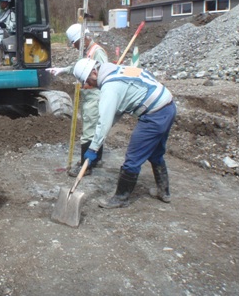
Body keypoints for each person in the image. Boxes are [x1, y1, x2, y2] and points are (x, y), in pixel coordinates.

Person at [72, 58, 177, 209]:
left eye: (87, 81)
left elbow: (105, 120)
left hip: (154, 116)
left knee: (133, 157)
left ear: (94, 73)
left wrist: (93, 148)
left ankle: (121, 197)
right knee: (155, 152)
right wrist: (100, 136)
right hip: (167, 106)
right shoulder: (118, 70)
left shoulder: (110, 87)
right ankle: (163, 191)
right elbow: (117, 111)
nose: (88, 85)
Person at [47, 24, 108, 177]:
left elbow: (102, 73)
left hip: (94, 96)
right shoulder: (87, 52)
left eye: (74, 43)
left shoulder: (97, 52)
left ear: (82, 39)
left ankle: (85, 166)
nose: (74, 46)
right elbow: (79, 67)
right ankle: (95, 159)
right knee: (95, 128)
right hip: (89, 95)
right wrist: (62, 70)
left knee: (88, 130)